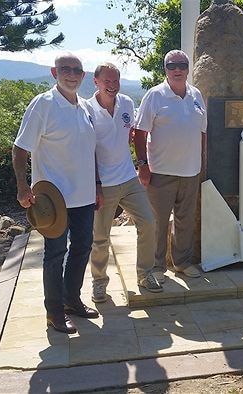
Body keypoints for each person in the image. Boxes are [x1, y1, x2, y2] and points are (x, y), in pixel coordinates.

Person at [12, 52, 101, 334]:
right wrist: (23, 186)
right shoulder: (43, 105)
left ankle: (71, 300)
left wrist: (97, 185)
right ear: (54, 72)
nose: (71, 74)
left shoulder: (85, 107)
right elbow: (20, 148)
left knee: (82, 247)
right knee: (55, 254)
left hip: (84, 196)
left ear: (83, 75)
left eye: (76, 70)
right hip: (54, 200)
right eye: (65, 69)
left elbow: (90, 151)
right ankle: (54, 313)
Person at [85, 62, 162, 297]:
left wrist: (142, 164)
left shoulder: (127, 103)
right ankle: (99, 282)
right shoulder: (86, 109)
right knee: (100, 236)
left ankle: (145, 273)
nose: (112, 86)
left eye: (116, 81)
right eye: (107, 81)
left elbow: (134, 132)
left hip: (128, 178)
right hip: (103, 183)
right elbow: (86, 150)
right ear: (96, 82)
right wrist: (96, 184)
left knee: (148, 222)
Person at [133, 49, 207, 282]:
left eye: (182, 65)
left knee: (185, 221)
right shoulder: (155, 96)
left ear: (188, 69)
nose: (177, 69)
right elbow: (139, 133)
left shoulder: (196, 95)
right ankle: (156, 266)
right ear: (165, 69)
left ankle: (182, 263)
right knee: (158, 222)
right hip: (160, 172)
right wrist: (143, 165)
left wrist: (201, 160)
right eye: (171, 65)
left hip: (190, 170)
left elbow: (202, 131)